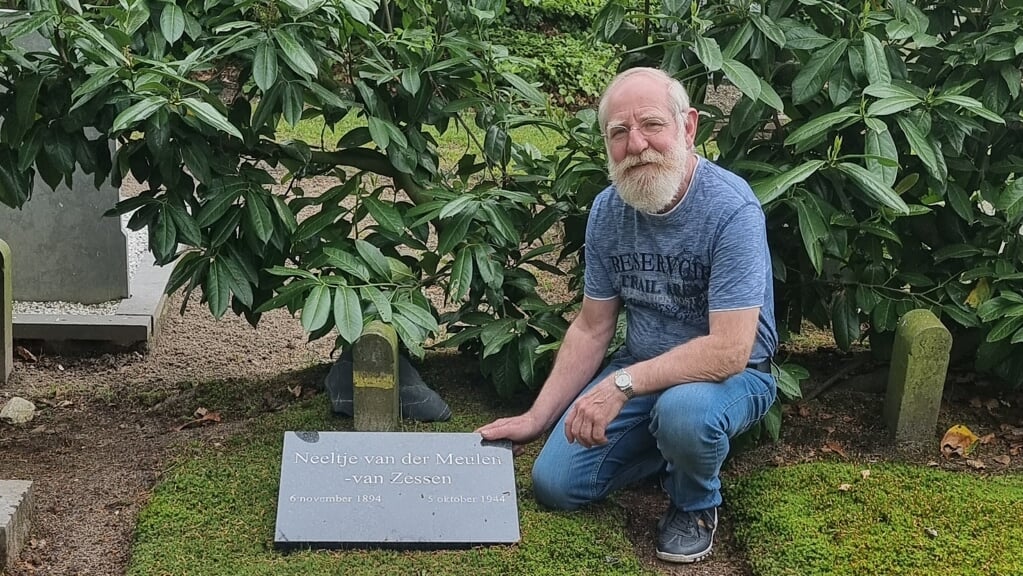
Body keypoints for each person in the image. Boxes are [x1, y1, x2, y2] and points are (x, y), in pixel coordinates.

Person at [477, 67, 778, 564]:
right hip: (642, 372)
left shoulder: (730, 209)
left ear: (688, 127)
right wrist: (537, 416)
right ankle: (677, 449)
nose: (636, 144)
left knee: (685, 413)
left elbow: (729, 351)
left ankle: (695, 503)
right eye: (619, 132)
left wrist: (620, 386)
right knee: (555, 484)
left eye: (652, 125)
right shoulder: (607, 211)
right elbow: (593, 327)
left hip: (733, 377)